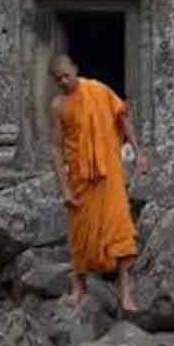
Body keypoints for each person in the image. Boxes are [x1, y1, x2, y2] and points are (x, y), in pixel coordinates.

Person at [49, 55, 150, 310]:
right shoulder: (58, 106)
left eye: (66, 75)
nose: (64, 81)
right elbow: (55, 148)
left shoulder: (98, 90)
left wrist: (139, 153)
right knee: (81, 233)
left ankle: (125, 289)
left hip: (109, 172)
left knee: (120, 228)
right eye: (58, 79)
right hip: (80, 177)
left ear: (75, 69)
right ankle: (79, 283)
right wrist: (64, 188)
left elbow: (122, 118)